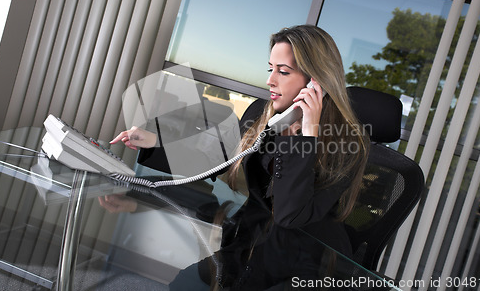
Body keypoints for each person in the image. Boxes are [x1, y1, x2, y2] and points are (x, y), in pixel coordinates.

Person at [109, 24, 369, 288]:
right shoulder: (263, 117)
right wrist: (153, 142)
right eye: (271, 69)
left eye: (283, 71)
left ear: (317, 82)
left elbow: (290, 215)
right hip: (249, 246)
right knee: (181, 284)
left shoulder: (349, 142)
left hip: (305, 266)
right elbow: (217, 160)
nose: (270, 80)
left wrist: (306, 136)